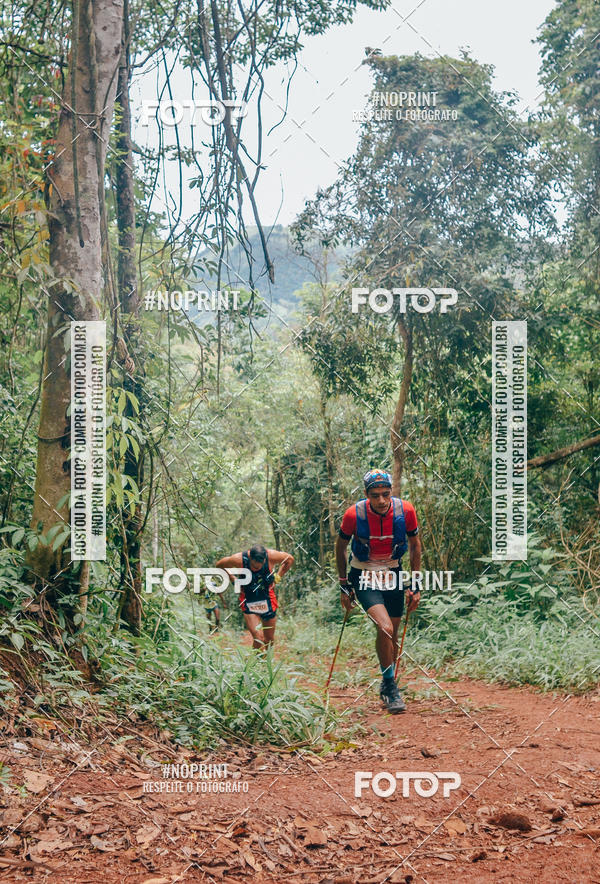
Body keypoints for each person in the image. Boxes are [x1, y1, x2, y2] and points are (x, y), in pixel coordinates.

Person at [336, 469, 421, 714]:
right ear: (366, 495)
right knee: (384, 627)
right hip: (363, 574)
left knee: (391, 634)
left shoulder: (405, 510)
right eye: (375, 496)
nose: (381, 501)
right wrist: (344, 584)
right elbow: (340, 546)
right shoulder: (354, 514)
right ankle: (391, 685)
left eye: (385, 494)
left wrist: (414, 583)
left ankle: (387, 683)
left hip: (393, 572)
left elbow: (415, 545)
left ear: (391, 492)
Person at [215, 543, 294, 649]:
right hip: (248, 599)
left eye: (260, 565)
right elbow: (219, 565)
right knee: (258, 638)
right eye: (254, 566)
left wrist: (278, 577)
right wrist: (231, 577)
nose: (258, 568)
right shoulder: (239, 559)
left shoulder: (271, 556)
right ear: (250, 558)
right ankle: (253, 664)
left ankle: (265, 663)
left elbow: (289, 559)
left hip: (267, 599)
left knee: (269, 640)